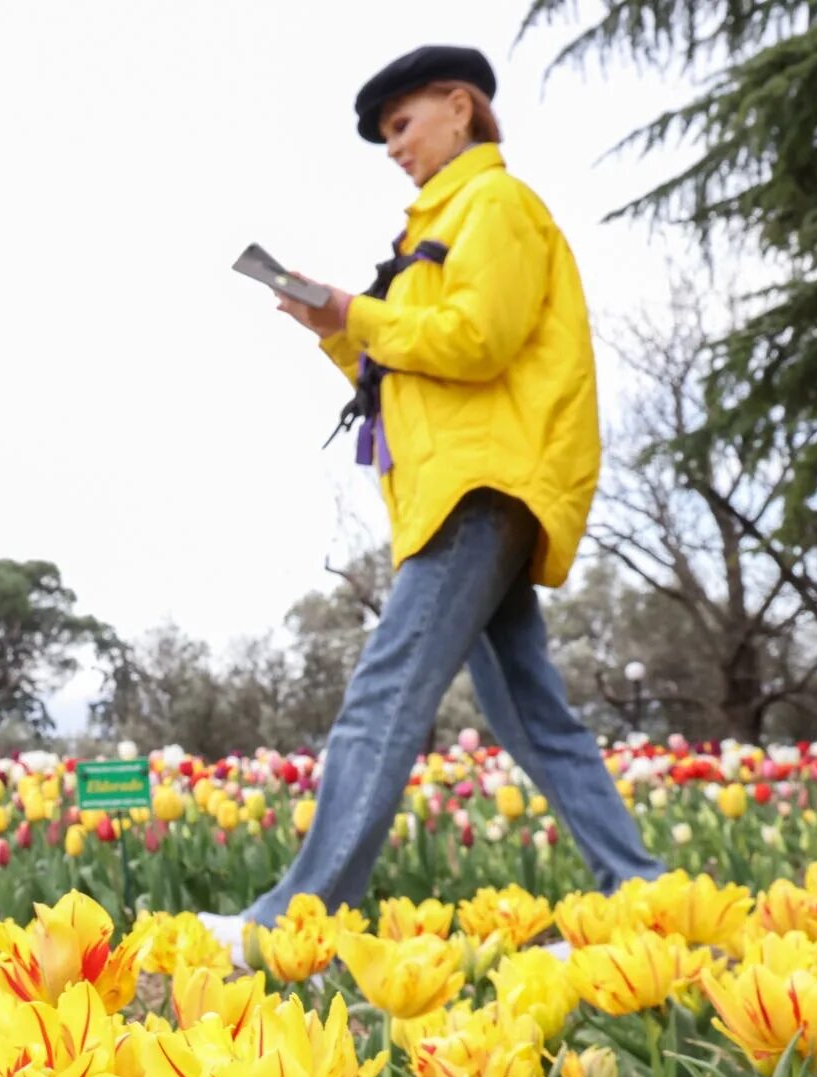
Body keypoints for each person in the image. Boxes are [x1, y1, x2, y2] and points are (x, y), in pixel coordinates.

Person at [214, 44, 662, 939]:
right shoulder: (434, 228)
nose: (393, 147)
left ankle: (296, 919)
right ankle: (644, 890)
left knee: (383, 696)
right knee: (535, 717)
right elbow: (406, 370)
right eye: (385, 135)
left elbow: (477, 340)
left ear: (461, 107)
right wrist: (333, 330)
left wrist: (357, 311)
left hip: (480, 486)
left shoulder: (494, 204)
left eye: (401, 123)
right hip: (455, 488)